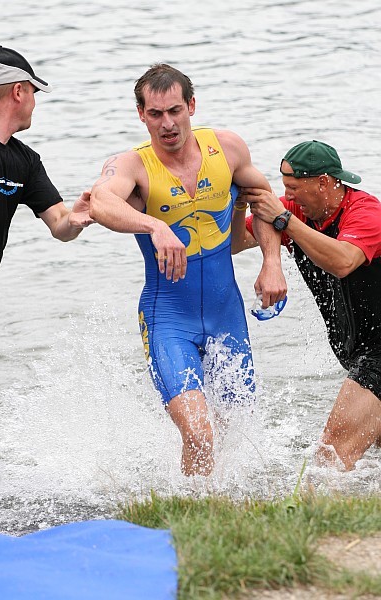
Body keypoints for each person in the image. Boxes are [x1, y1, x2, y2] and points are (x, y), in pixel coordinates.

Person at [90, 63, 287, 476]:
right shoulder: (134, 165)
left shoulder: (227, 148)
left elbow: (265, 201)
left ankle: (230, 514)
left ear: (192, 106)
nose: (167, 124)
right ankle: (191, 517)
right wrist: (154, 225)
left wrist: (271, 262)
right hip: (169, 321)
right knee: (199, 434)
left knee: (240, 432)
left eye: (175, 111)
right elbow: (101, 203)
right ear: (141, 115)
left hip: (226, 315)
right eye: (156, 114)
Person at [232, 140, 381, 471]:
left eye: (294, 187)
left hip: (378, 354)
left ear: (324, 182)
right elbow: (236, 242)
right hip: (357, 352)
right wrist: (243, 208)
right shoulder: (297, 212)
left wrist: (285, 220)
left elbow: (343, 261)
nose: (290, 196)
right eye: (285, 188)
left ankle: (319, 518)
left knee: (331, 455)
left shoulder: (366, 213)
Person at [0, 45, 93, 426]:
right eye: (34, 93)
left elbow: (59, 223)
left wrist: (77, 218)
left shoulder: (24, 160)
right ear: (18, 91)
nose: (34, 104)